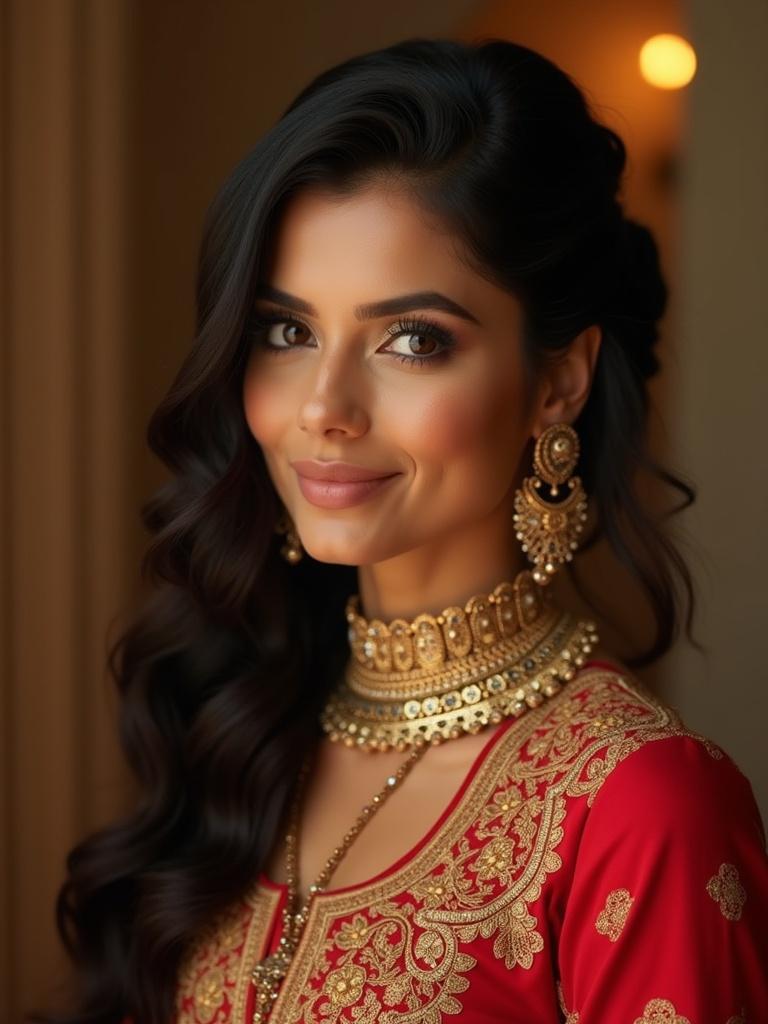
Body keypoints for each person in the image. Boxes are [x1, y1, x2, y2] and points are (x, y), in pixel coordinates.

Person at [32, 36, 768, 1024]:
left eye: (411, 340)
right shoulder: (251, 728)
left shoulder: (640, 807)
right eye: (287, 331)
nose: (323, 407)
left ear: (558, 380)